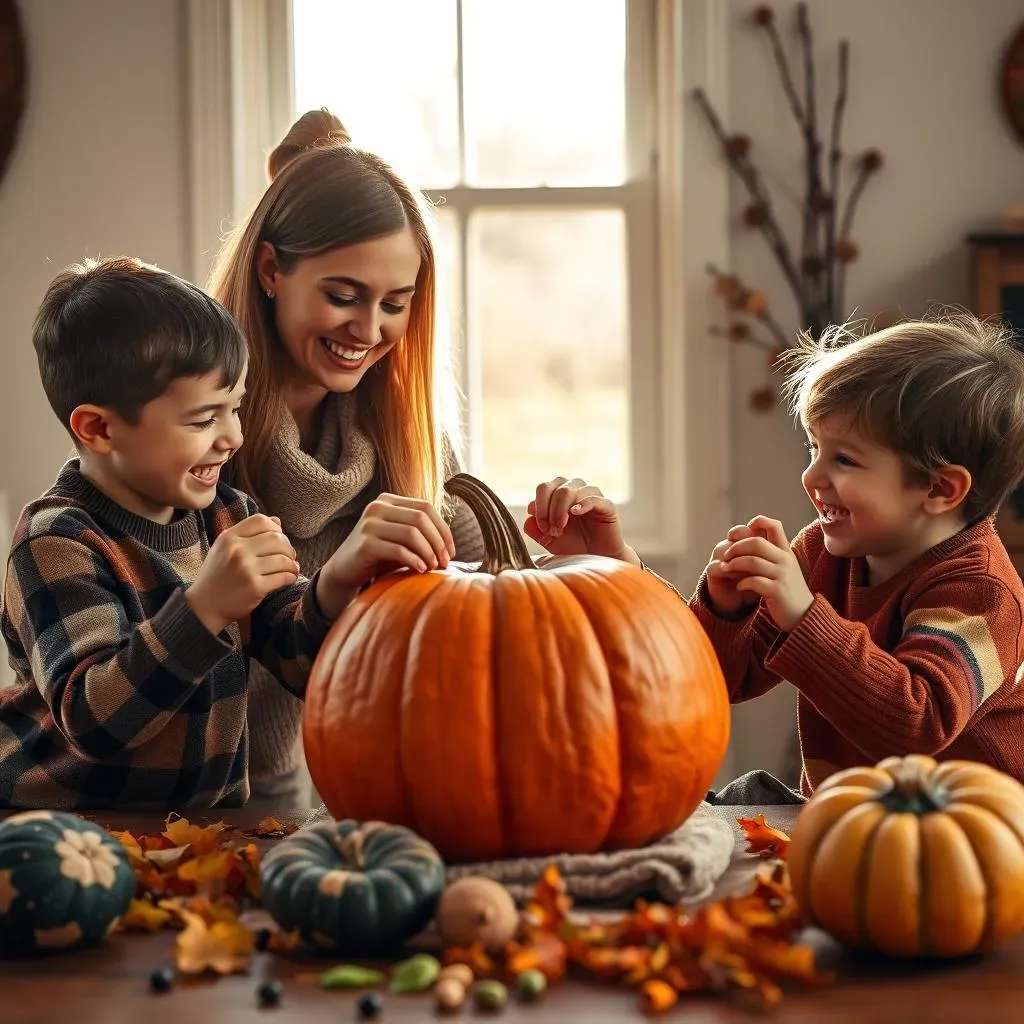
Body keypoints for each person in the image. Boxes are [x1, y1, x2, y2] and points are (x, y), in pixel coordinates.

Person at [0, 256, 456, 810]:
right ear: (98, 428)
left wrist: (335, 581)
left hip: (200, 831)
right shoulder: (53, 542)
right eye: (202, 419)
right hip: (67, 836)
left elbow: (300, 664)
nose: (232, 437)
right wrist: (204, 608)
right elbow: (94, 721)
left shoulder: (226, 515)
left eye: (234, 408)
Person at [526, 313, 1024, 795]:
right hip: (848, 823)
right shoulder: (823, 554)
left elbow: (915, 724)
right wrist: (640, 579)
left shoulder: (982, 592)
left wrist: (803, 615)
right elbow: (712, 677)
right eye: (814, 449)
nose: (812, 476)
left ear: (939, 488)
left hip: (978, 846)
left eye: (844, 459)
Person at [207, 109, 484, 808]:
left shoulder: (405, 432)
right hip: (190, 805)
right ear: (271, 269)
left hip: (352, 798)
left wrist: (597, 555)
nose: (369, 330)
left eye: (396, 303)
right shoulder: (190, 432)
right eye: (342, 296)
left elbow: (512, 605)